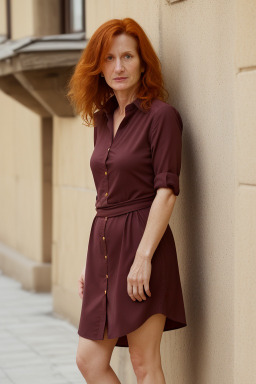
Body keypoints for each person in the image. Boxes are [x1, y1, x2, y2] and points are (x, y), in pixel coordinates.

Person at [67, 17, 187, 384]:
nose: (118, 67)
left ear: (143, 62)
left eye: (128, 57)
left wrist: (143, 258)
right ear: (98, 67)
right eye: (109, 59)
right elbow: (106, 195)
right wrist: (92, 264)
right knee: (89, 360)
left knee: (143, 363)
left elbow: (166, 192)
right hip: (104, 245)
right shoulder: (103, 120)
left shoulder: (162, 118)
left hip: (142, 244)